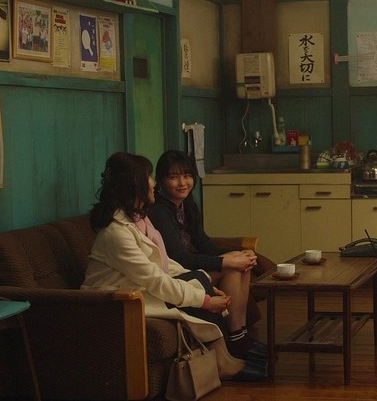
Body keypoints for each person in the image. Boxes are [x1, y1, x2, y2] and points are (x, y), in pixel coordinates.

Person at [81, 152, 265, 381]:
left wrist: (205, 284)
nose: (153, 184)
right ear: (134, 185)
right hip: (117, 302)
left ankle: (226, 355)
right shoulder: (117, 233)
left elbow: (166, 264)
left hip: (138, 288)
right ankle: (224, 361)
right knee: (198, 289)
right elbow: (156, 278)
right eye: (149, 178)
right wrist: (206, 300)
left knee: (199, 281)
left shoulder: (138, 219)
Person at [148, 149, 271, 359]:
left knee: (240, 262)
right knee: (232, 269)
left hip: (189, 270)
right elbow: (180, 258)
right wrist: (228, 261)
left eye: (187, 175)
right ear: (160, 181)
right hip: (176, 276)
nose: (182, 183)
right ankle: (236, 339)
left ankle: (241, 334)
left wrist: (238, 254)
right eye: (174, 177)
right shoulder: (159, 212)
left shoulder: (186, 206)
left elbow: (206, 246)